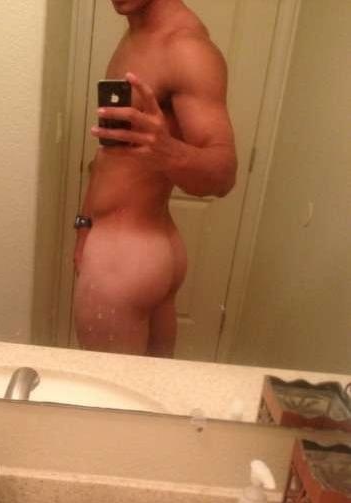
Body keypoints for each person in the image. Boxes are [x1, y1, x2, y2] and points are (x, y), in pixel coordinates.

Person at [73, 0, 237, 357]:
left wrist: (167, 150)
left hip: (124, 260)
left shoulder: (185, 47)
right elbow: (110, 154)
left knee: (109, 391)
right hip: (139, 247)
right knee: (148, 389)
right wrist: (84, 224)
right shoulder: (136, 33)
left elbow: (223, 173)